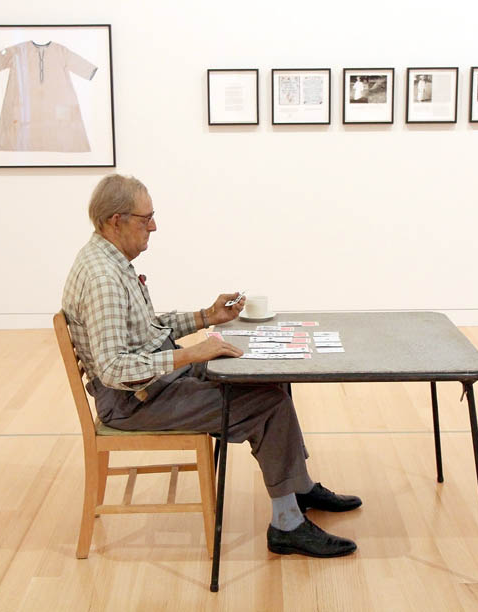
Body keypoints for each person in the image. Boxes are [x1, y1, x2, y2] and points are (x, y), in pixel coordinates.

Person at [62, 174, 362, 556]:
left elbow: (146, 329)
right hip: (134, 400)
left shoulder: (109, 259)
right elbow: (113, 369)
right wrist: (190, 353)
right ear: (114, 221)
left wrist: (207, 317)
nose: (153, 226)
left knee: (271, 378)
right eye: (145, 218)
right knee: (267, 401)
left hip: (156, 382)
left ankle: (298, 489)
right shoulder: (103, 277)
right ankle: (287, 524)